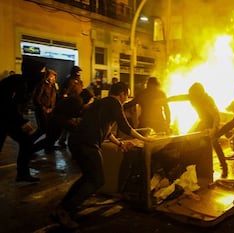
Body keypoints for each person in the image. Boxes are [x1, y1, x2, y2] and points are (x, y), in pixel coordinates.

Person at [50, 82, 152, 229]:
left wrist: (119, 143)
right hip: (88, 144)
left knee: (87, 176)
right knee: (97, 180)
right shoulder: (114, 103)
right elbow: (124, 126)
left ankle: (62, 207)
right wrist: (145, 139)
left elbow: (107, 131)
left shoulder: (101, 103)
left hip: (77, 141)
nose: (126, 98)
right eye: (126, 95)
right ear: (122, 93)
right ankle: (64, 210)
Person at [0, 57, 46, 182]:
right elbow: (7, 104)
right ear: (33, 71)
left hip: (9, 118)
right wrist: (22, 122)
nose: (43, 74)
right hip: (4, 117)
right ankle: (22, 174)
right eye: (41, 71)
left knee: (26, 142)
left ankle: (23, 174)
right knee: (25, 141)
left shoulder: (28, 83)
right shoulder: (18, 82)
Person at [168, 82, 228, 177]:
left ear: (199, 93)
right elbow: (180, 97)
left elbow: (216, 116)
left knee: (214, 142)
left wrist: (214, 129)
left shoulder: (207, 100)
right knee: (189, 137)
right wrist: (167, 99)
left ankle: (224, 167)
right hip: (203, 121)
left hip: (211, 122)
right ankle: (196, 165)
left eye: (193, 94)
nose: (192, 96)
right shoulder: (192, 96)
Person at [32, 69, 58, 141]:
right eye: (51, 76)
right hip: (42, 110)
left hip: (50, 110)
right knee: (43, 128)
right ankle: (30, 141)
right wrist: (43, 108)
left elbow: (54, 97)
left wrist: (52, 108)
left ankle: (48, 145)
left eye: (54, 77)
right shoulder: (42, 85)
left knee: (49, 128)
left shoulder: (53, 86)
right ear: (47, 77)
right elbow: (36, 98)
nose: (53, 78)